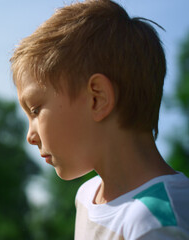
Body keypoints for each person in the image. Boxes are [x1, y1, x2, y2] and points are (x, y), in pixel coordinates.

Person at [10, 0, 189, 239]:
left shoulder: (155, 224)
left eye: (35, 109)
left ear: (98, 98)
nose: (30, 136)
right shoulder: (87, 195)